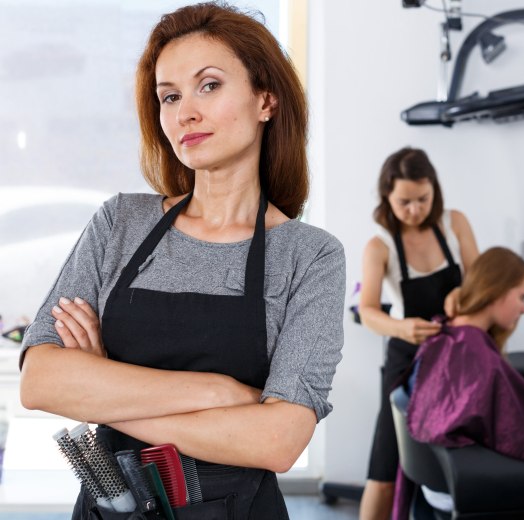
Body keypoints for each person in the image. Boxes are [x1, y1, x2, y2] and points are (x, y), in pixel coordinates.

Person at [18, 3, 345, 519]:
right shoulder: (120, 223)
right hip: (110, 510)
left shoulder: (310, 255)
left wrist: (105, 387)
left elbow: (279, 440)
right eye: (169, 96)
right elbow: (41, 381)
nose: (183, 112)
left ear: (266, 100)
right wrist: (217, 394)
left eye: (209, 85)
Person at [394, 247, 524, 518]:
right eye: (523, 296)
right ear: (497, 291)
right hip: (454, 484)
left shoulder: (446, 333)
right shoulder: (473, 353)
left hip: (432, 481)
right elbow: (515, 431)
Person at [358, 147, 479, 520]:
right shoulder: (380, 246)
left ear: (434, 190)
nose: (415, 210)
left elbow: (480, 282)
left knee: (454, 465)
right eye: (404, 202)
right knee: (386, 468)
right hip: (405, 361)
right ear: (387, 198)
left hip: (456, 358)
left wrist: (464, 292)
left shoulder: (454, 223)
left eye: (422, 199)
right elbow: (368, 311)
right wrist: (401, 328)